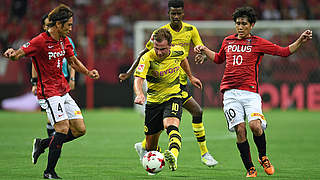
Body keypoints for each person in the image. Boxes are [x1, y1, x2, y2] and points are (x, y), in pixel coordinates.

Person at [194, 6, 312, 177]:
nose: (240, 27)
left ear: (251, 25)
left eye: (244, 24)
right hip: (230, 94)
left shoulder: (258, 42)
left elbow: (284, 52)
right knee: (240, 130)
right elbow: (219, 59)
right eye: (237, 24)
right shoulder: (228, 41)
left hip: (250, 94)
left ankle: (263, 156)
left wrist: (300, 40)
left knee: (255, 126)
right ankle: (250, 168)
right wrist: (205, 51)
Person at [3, 4, 100, 179]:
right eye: (68, 25)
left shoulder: (64, 40)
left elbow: (73, 61)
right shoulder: (39, 41)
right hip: (48, 93)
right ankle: (49, 172)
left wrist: (88, 72)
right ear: (57, 24)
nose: (71, 28)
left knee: (79, 130)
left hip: (63, 91)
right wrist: (12, 53)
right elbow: (20, 54)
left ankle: (42, 144)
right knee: (62, 128)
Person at [119, 0, 218, 167]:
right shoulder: (158, 35)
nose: (176, 16)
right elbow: (145, 54)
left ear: (184, 13)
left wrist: (195, 68)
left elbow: (194, 51)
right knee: (154, 136)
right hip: (156, 94)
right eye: (173, 13)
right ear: (169, 13)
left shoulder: (190, 30)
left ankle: (202, 153)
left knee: (191, 114)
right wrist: (131, 75)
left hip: (177, 87)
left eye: (179, 13)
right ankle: (145, 146)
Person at [134, 28, 202, 172]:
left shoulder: (177, 51)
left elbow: (183, 59)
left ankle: (173, 155)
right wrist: (139, 94)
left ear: (170, 46)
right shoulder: (147, 58)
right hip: (153, 102)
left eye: (163, 49)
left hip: (173, 96)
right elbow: (138, 79)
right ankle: (147, 152)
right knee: (151, 145)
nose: (159, 52)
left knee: (170, 126)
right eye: (157, 48)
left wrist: (191, 77)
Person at [31, 13, 77, 137]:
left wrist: (72, 78)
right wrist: (35, 83)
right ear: (44, 27)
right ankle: (51, 142)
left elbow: (73, 60)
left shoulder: (67, 40)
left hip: (63, 79)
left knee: (65, 119)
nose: (48, 27)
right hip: (47, 83)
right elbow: (34, 64)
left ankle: (49, 143)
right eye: (46, 25)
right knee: (54, 117)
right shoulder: (40, 42)